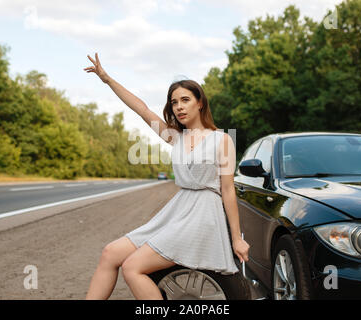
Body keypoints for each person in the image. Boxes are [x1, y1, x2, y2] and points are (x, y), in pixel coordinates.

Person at [83, 53, 250, 300]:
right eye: (174, 102)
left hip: (203, 215)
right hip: (178, 210)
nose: (179, 106)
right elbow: (141, 108)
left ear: (200, 103)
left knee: (132, 268)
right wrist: (107, 79)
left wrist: (237, 238)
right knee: (110, 253)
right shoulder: (175, 137)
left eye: (185, 100)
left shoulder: (221, 140)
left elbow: (227, 190)